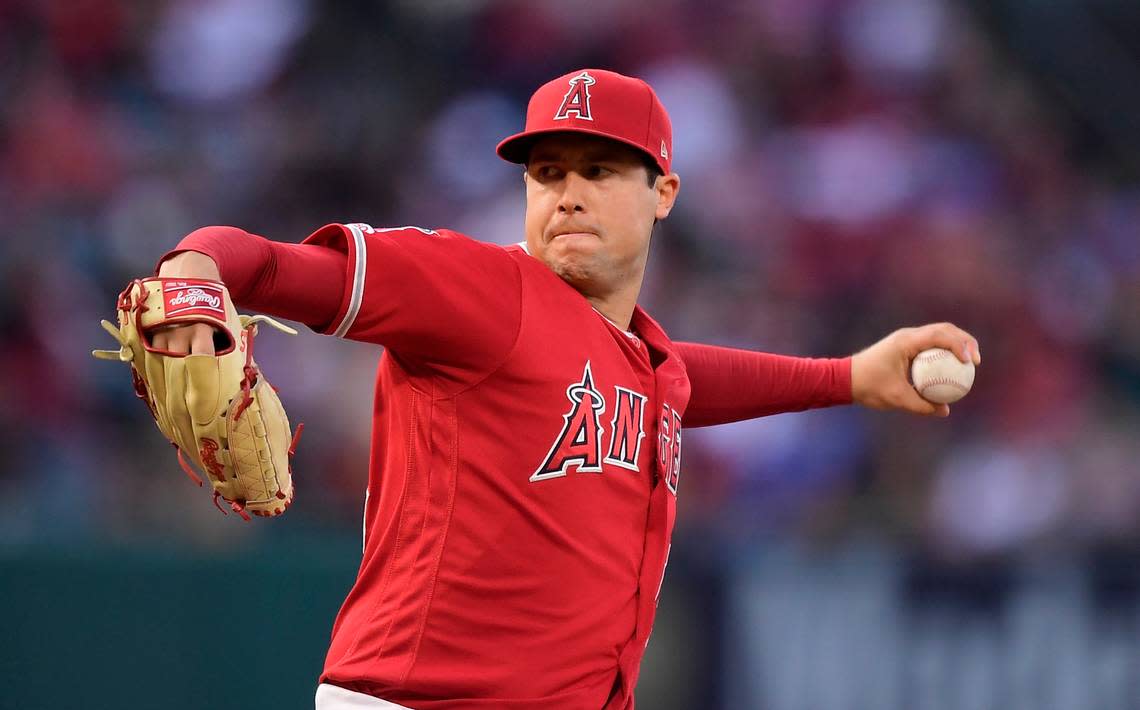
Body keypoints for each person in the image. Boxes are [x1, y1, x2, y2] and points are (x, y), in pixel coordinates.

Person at [150, 69, 981, 709]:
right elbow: (275, 265)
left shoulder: (635, 356)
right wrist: (193, 267)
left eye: (599, 169)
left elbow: (683, 382)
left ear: (664, 193)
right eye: (547, 173)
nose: (569, 194)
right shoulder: (477, 290)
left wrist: (846, 378)